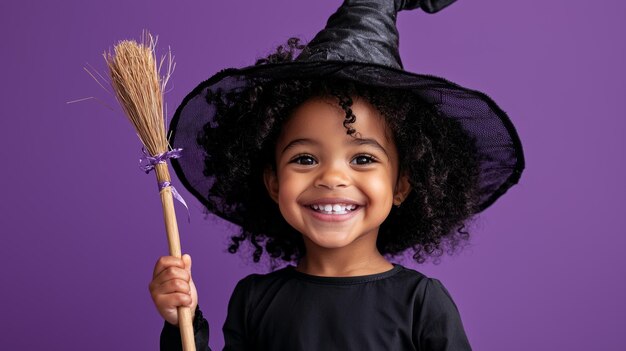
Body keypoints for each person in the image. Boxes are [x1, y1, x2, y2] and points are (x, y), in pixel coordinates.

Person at [150, 0, 525, 350]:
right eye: (305, 159)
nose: (331, 176)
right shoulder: (254, 300)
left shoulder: (422, 304)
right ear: (273, 182)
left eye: (362, 159)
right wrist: (180, 320)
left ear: (401, 185)